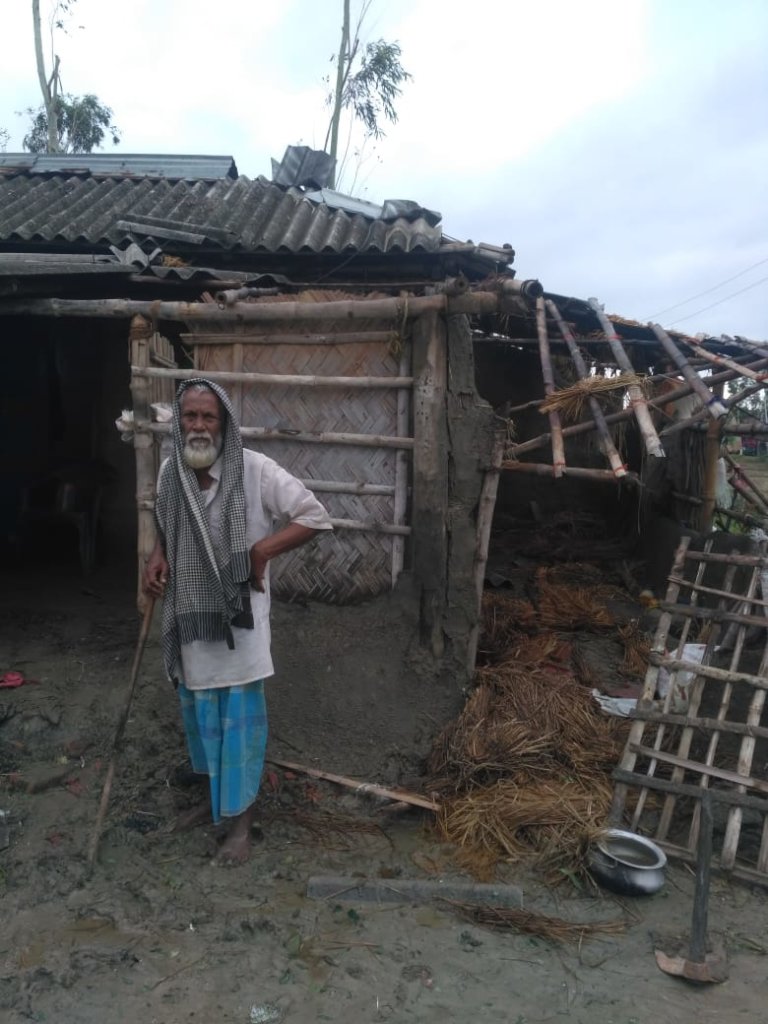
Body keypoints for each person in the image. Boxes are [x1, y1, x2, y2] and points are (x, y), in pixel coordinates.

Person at [143, 378, 332, 864]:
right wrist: (157, 556)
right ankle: (212, 806)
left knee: (239, 730)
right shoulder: (171, 472)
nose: (199, 426)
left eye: (209, 417)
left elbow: (313, 516)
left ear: (224, 424)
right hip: (191, 619)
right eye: (191, 417)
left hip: (239, 624)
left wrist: (261, 551)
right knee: (200, 718)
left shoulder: (255, 470)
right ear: (179, 422)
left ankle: (240, 826)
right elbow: (166, 523)